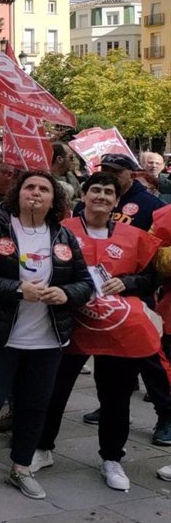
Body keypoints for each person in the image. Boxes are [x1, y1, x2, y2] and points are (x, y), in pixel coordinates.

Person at [0, 171, 92, 505]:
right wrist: (17, 289)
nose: (35, 193)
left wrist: (66, 293)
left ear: (54, 199)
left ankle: (22, 467)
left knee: (33, 406)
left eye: (44, 188)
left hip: (47, 341)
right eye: (29, 187)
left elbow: (85, 282)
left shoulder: (62, 235)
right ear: (17, 193)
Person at [33, 171, 161, 491]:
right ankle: (42, 447)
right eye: (95, 191)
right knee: (54, 389)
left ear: (117, 202)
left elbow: (150, 279)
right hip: (69, 322)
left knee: (115, 396)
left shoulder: (134, 237)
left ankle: (112, 458)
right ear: (84, 196)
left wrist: (128, 282)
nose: (101, 196)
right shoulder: (62, 231)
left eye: (108, 192)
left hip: (116, 326)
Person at [81, 153, 171, 443]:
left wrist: (132, 283)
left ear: (131, 175)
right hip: (98, 294)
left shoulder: (151, 205)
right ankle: (110, 405)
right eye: (104, 171)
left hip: (134, 294)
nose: (108, 176)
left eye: (115, 172)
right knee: (106, 356)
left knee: (150, 359)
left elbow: (157, 256)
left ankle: (166, 415)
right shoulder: (95, 201)